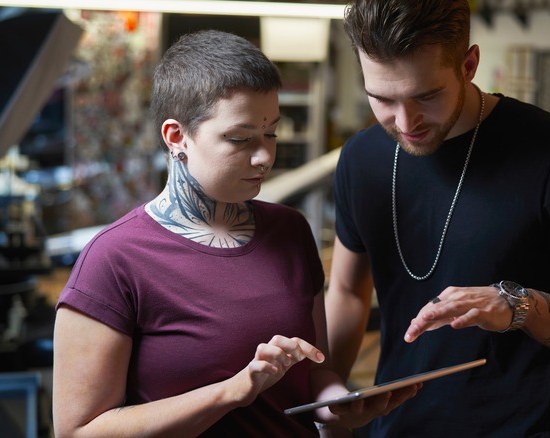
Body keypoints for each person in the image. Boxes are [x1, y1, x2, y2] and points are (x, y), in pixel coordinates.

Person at [52, 29, 417, 437]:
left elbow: (314, 374)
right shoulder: (115, 259)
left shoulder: (291, 231)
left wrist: (339, 405)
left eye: (271, 134)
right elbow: (77, 431)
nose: (264, 156)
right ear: (177, 137)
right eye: (240, 139)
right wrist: (232, 391)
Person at [325, 0, 550, 436]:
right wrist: (328, 397)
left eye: (426, 96)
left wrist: (516, 305)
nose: (404, 121)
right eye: (381, 98)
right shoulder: (361, 158)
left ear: (469, 64)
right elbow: (346, 291)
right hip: (397, 427)